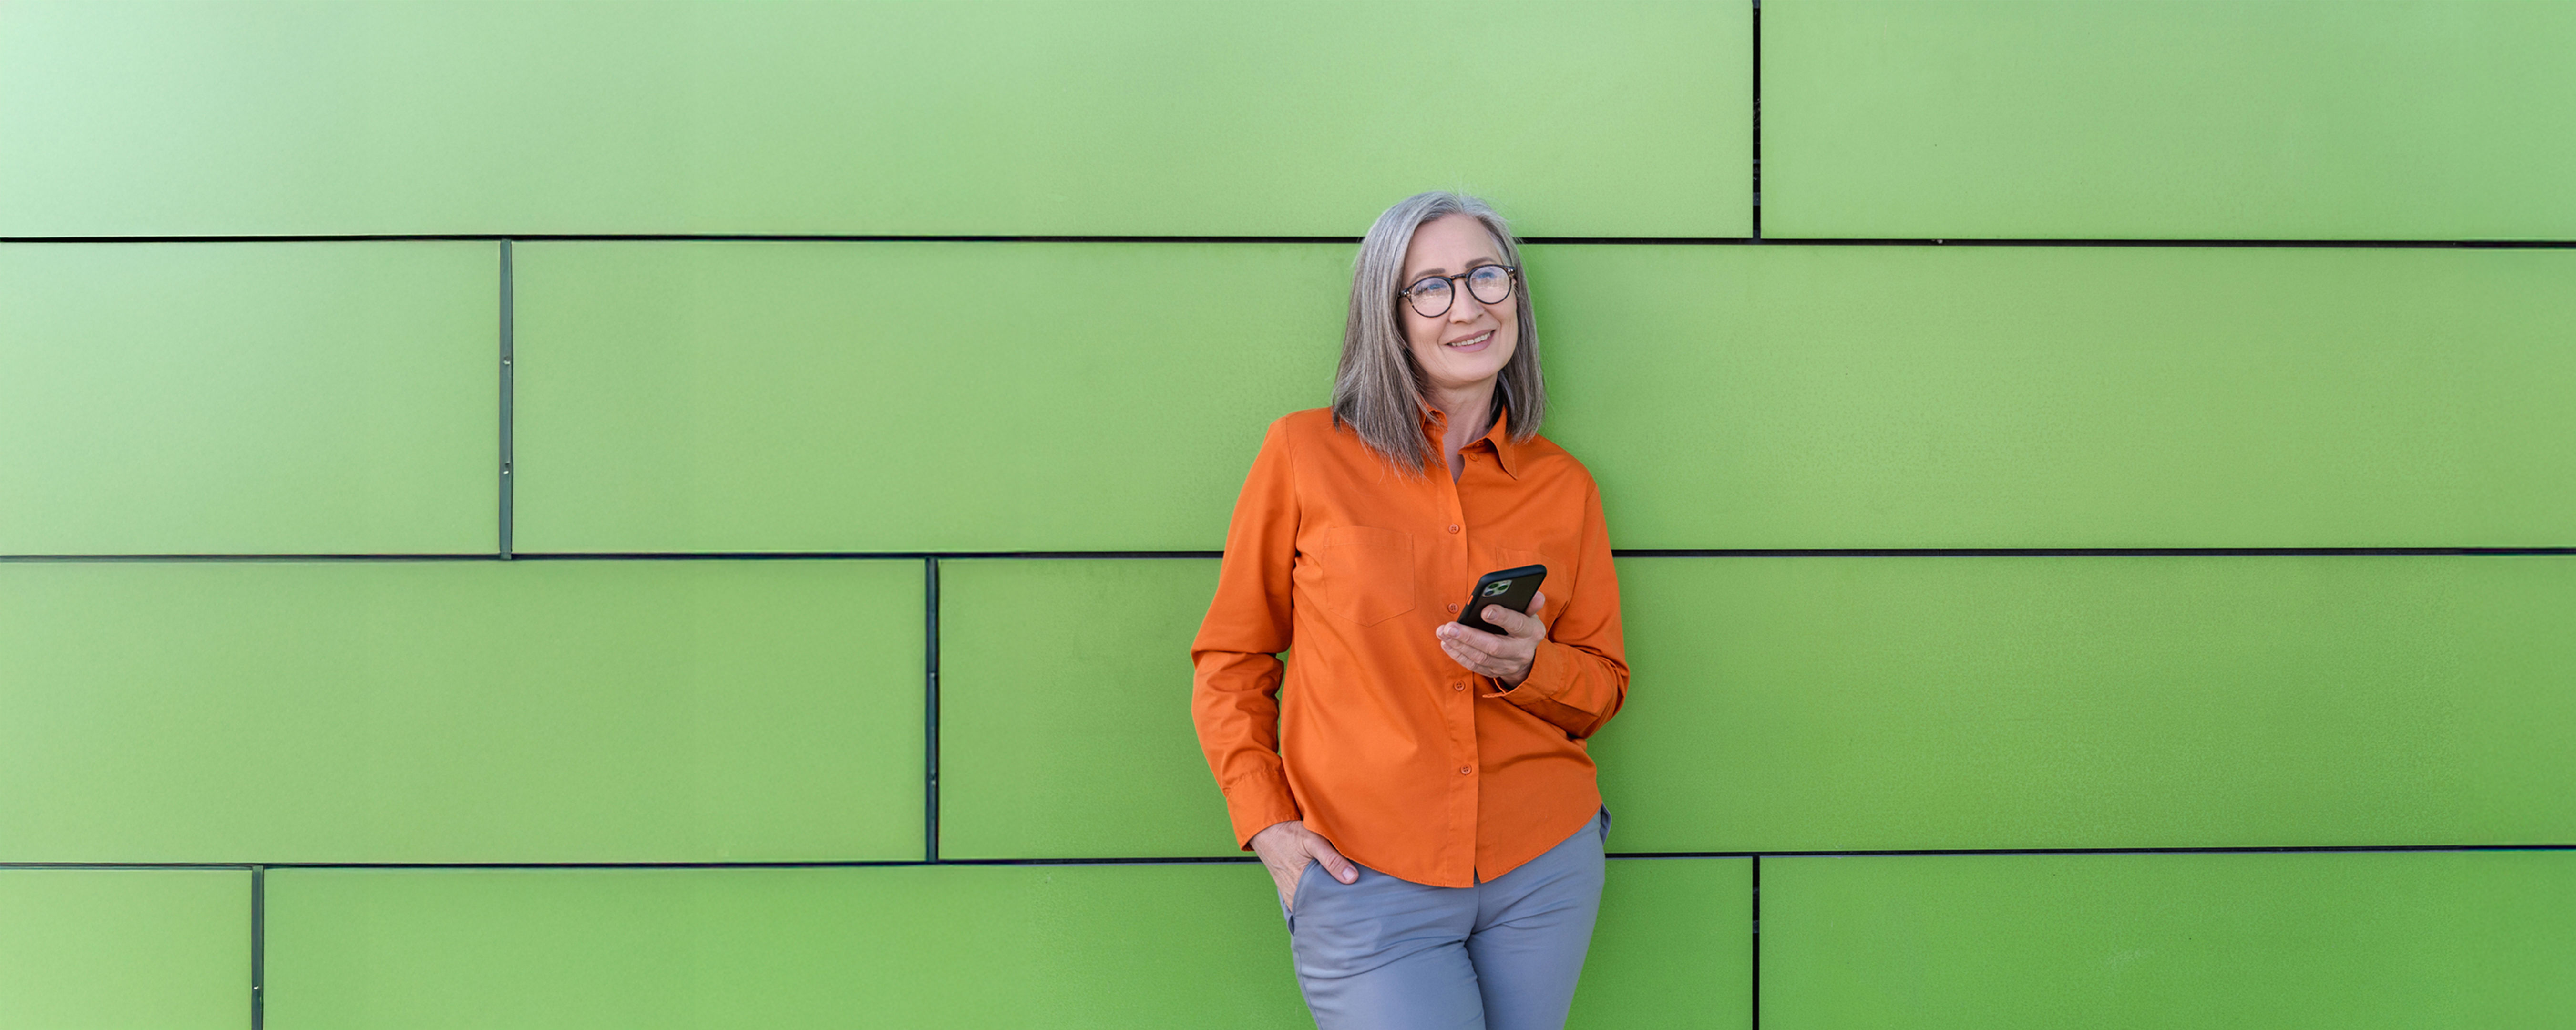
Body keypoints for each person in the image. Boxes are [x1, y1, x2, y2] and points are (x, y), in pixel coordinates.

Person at [1190, 191, 1630, 1030]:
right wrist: (1269, 827)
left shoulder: (1564, 486)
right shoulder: (1302, 454)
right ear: (1386, 318)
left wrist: (1530, 665)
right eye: (1430, 287)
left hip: (1543, 868)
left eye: (1486, 277)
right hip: (1364, 876)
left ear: (1516, 297)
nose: (1467, 307)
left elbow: (1603, 688)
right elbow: (1232, 661)